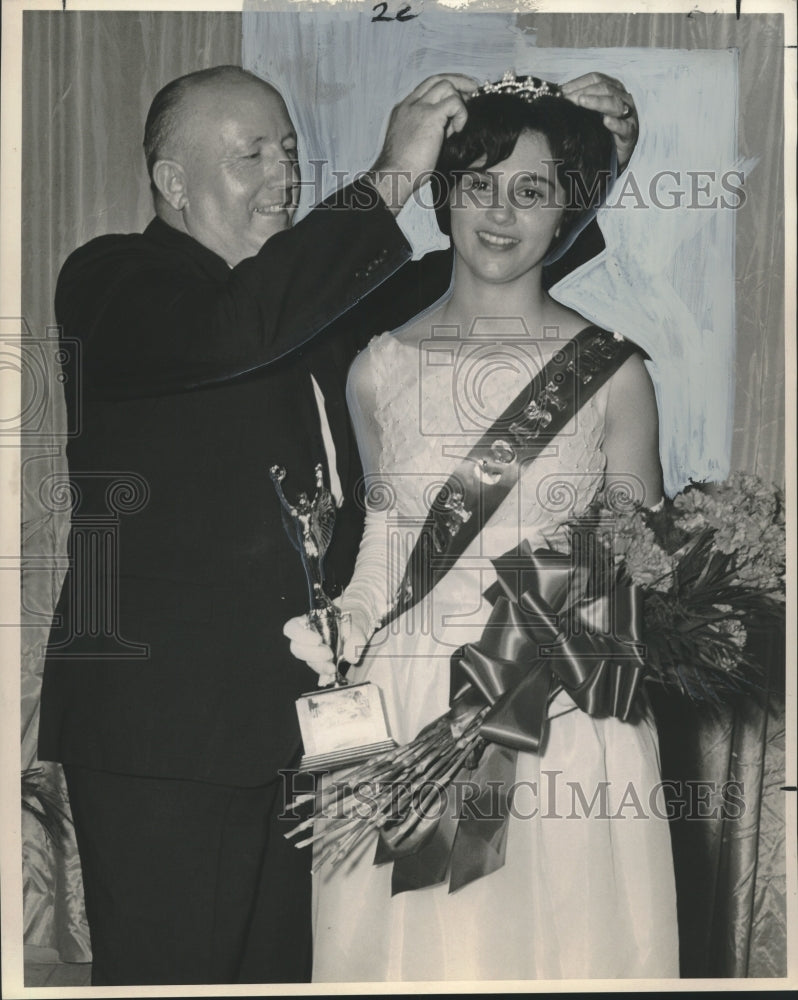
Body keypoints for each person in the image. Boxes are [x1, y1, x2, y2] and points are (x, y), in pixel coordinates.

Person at [38, 63, 638, 986]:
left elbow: (487, 265)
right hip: (172, 743)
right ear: (171, 182)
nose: (284, 174)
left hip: (325, 738)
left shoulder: (315, 300)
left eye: (290, 152)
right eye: (251, 156)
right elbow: (238, 329)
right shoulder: (116, 282)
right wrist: (392, 174)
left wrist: (593, 164)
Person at [285, 74, 679, 981]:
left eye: (531, 190)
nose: (500, 214)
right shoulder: (378, 367)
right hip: (410, 700)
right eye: (477, 185)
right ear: (443, 195)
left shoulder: (613, 374)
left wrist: (549, 662)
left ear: (565, 210)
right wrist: (338, 629)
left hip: (568, 713)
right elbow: (387, 536)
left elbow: (642, 561)